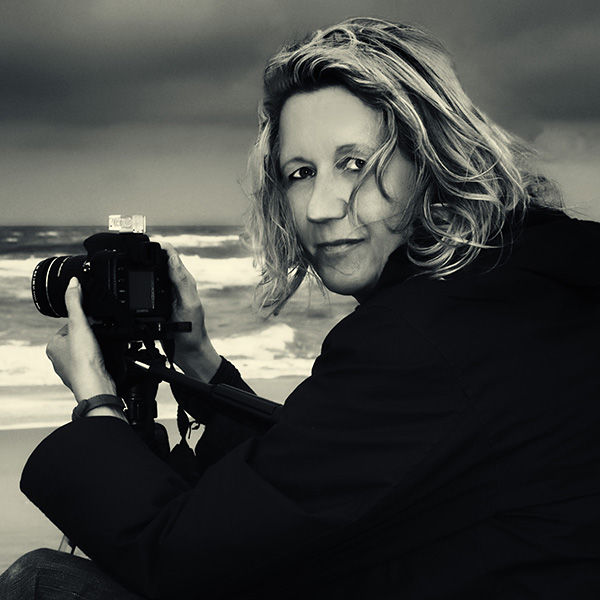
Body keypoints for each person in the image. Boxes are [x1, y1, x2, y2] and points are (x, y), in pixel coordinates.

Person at [2, 16, 600, 599]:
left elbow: (177, 562)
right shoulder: (529, 280)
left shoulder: (424, 337)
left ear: (431, 161)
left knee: (40, 581)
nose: (320, 206)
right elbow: (322, 474)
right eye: (300, 173)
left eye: (355, 164)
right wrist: (200, 361)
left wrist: (98, 404)